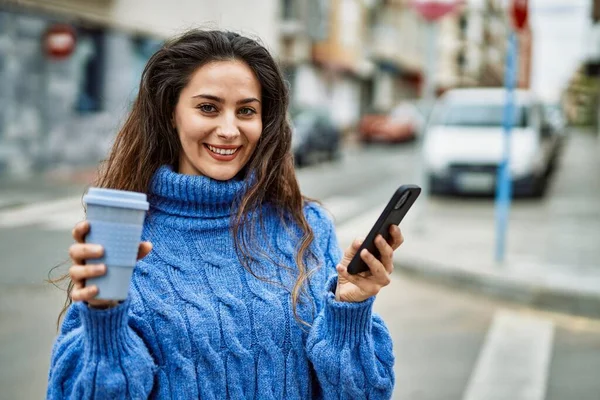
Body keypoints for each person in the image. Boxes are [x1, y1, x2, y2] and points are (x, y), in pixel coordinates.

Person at [47, 29, 403, 399]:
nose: (229, 130)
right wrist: (104, 317)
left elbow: (362, 394)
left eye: (246, 110)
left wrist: (349, 309)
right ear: (171, 113)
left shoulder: (307, 226)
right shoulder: (125, 235)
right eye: (208, 108)